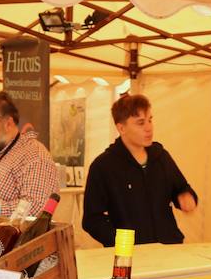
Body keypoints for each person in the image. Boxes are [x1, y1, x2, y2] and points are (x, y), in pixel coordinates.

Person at [83, 93, 197, 246]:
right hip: (129, 255)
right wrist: (121, 242)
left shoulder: (161, 156)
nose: (149, 128)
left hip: (170, 247)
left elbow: (181, 188)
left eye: (150, 120)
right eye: (140, 123)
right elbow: (92, 219)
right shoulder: (103, 166)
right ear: (121, 128)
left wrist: (185, 197)